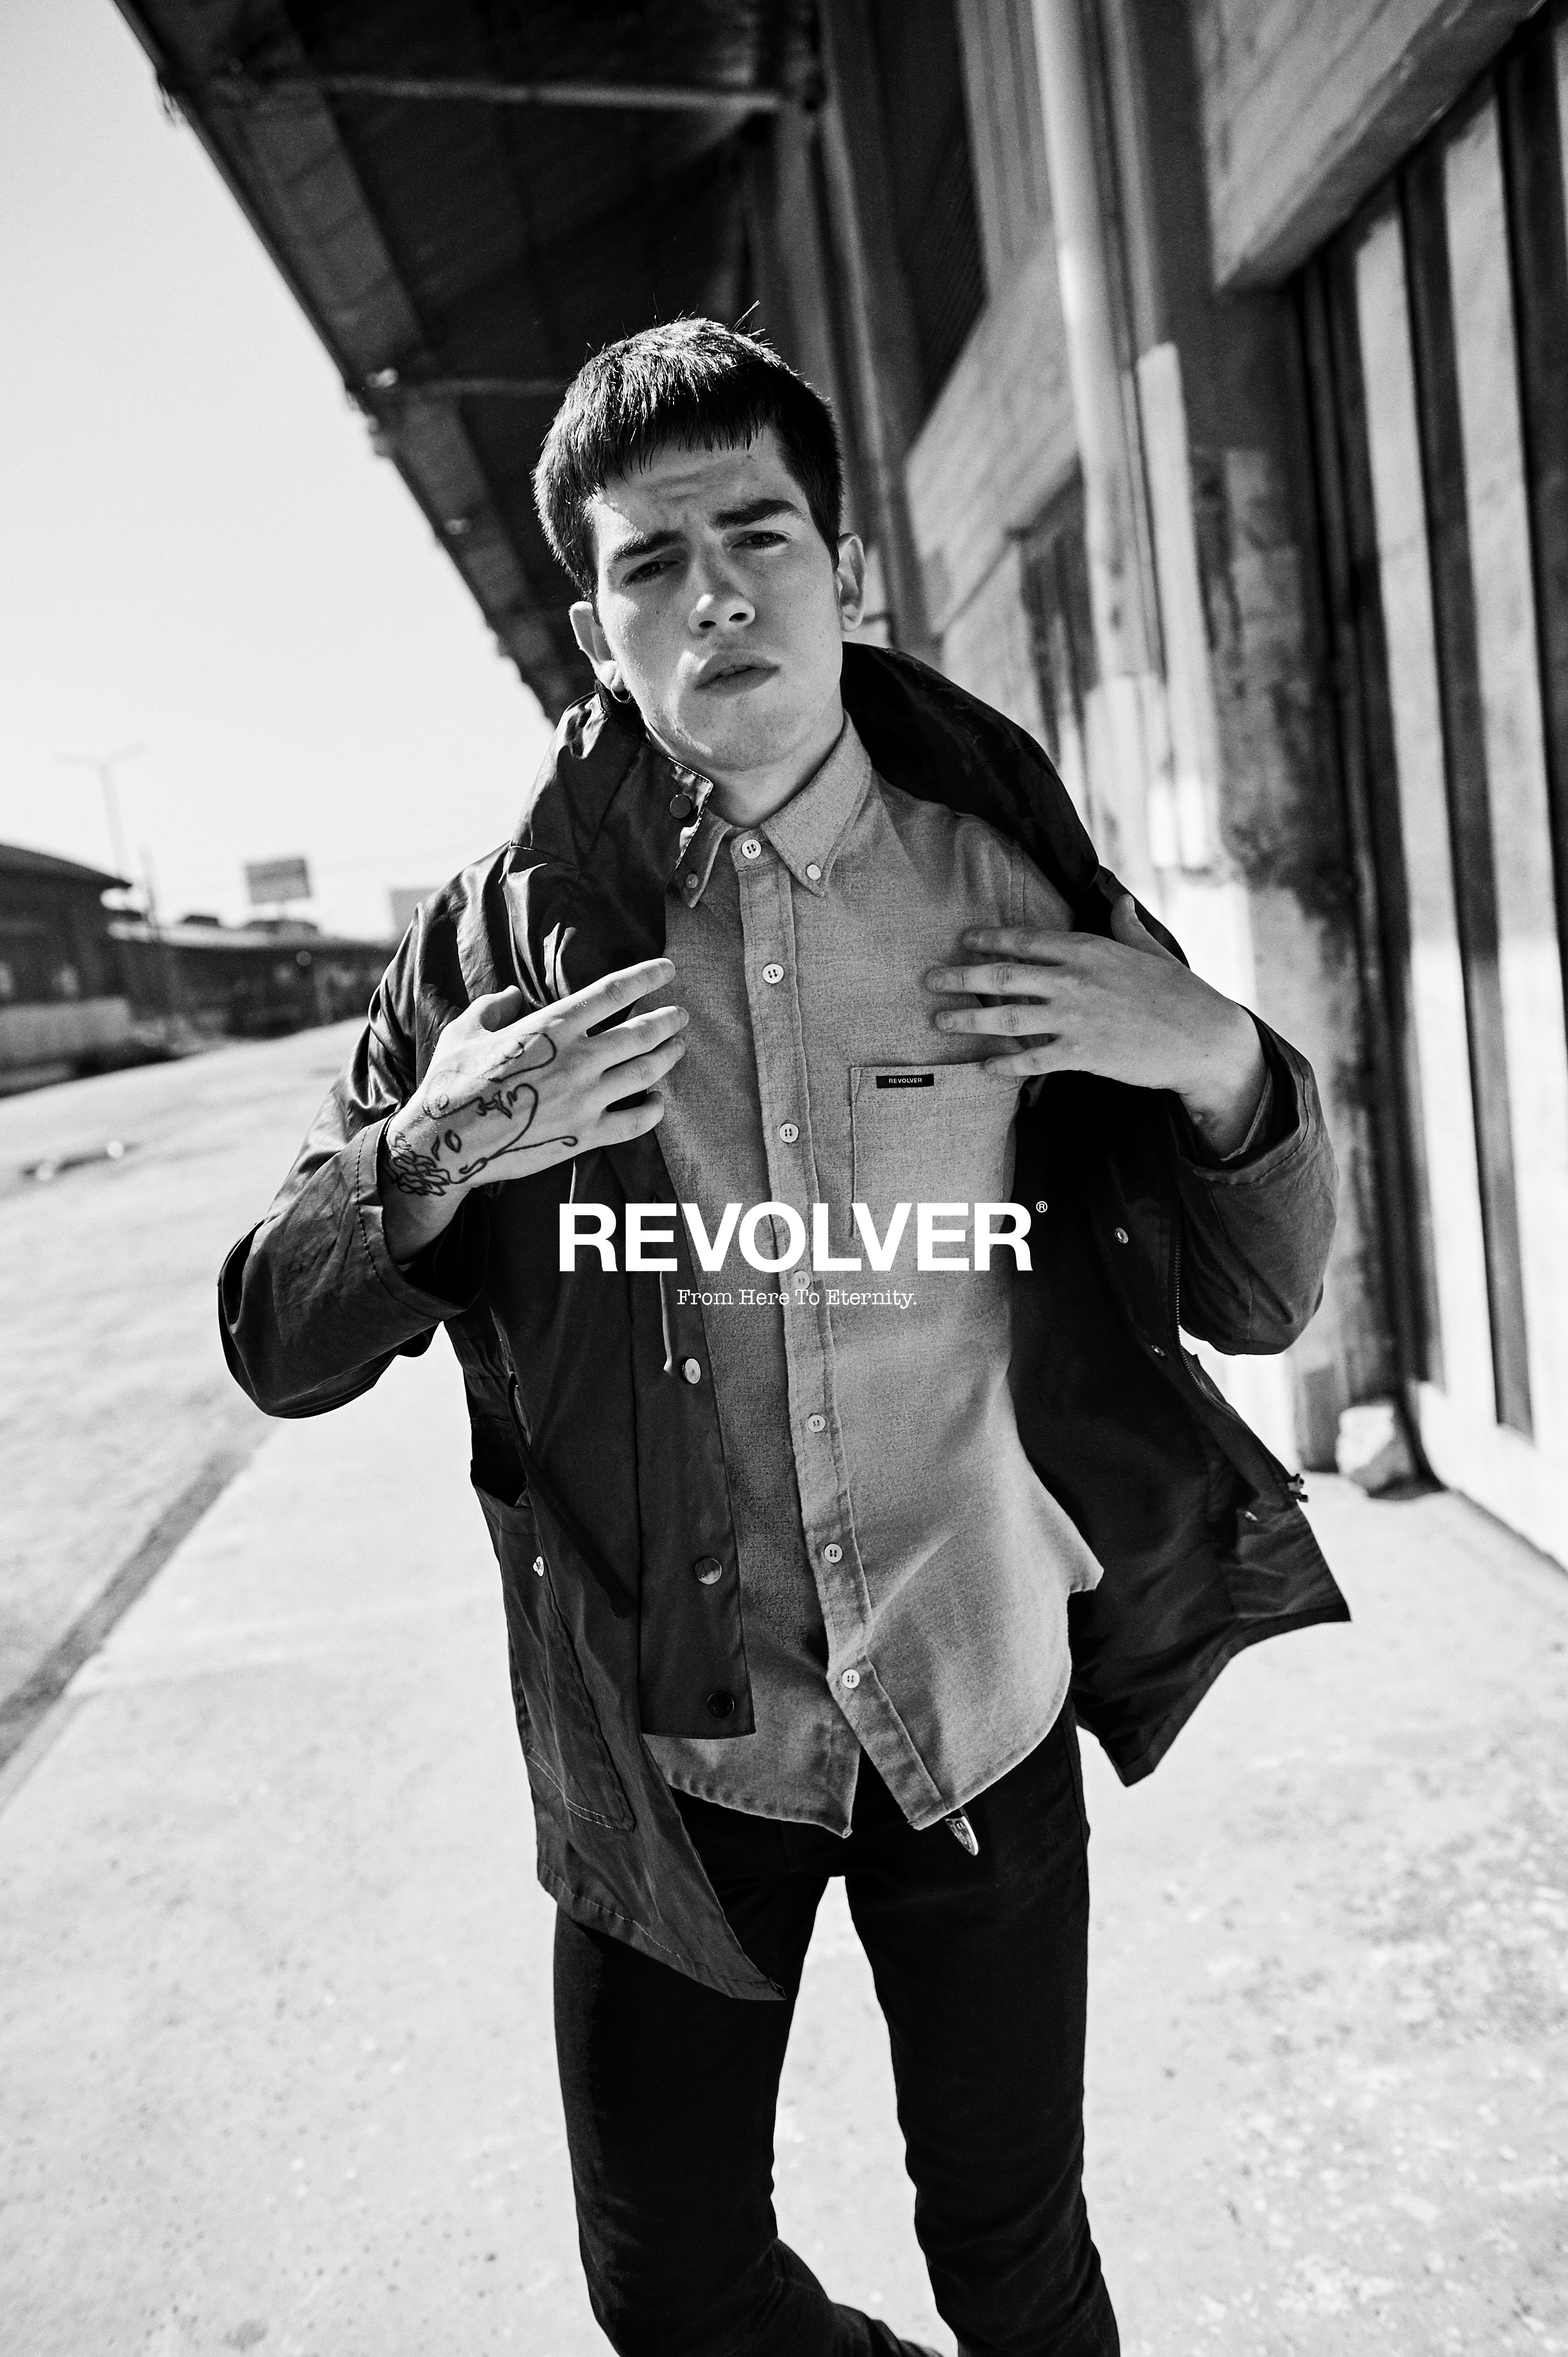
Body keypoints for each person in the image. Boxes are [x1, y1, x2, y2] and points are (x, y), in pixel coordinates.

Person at [220, 320, 1344, 2357]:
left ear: (847, 569)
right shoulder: (490, 959)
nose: (716, 595)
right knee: (669, 2289)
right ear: (596, 632)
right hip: (678, 1739)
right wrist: (434, 1150)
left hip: (977, 1697)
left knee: (1019, 2261)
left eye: (758, 535)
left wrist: (1221, 1055)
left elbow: (1264, 1296)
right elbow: (273, 1340)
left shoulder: (1019, 887)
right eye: (652, 562)